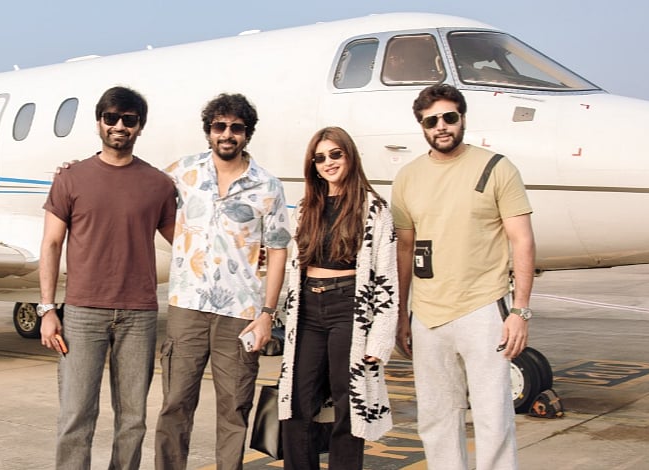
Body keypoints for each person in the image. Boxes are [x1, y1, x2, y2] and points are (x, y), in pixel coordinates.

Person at [391, 83, 536, 470]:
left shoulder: (497, 168)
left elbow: (522, 240)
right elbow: (404, 248)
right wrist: (402, 314)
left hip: (483, 308)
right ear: (422, 126)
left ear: (463, 119)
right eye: (431, 121)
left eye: (449, 117)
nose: (441, 126)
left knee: (493, 417)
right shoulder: (407, 177)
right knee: (436, 418)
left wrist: (520, 311)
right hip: (427, 315)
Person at [38, 86, 177, 469]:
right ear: (99, 122)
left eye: (129, 120)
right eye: (111, 118)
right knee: (76, 417)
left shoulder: (158, 184)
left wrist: (248, 248)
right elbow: (51, 244)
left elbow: (186, 241)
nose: (119, 126)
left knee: (132, 420)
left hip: (139, 315)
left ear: (140, 127)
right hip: (82, 314)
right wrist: (48, 309)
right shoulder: (71, 178)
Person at [154, 93, 291, 470]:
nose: (227, 134)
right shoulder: (183, 172)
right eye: (220, 126)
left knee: (234, 409)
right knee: (175, 405)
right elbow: (139, 189)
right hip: (187, 307)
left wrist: (267, 313)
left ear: (247, 133)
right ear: (208, 130)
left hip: (240, 313)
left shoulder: (268, 186)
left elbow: (278, 249)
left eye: (236, 128)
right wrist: (184, 244)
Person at [278, 127, 399, 469]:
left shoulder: (373, 209)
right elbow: (294, 266)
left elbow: (387, 276)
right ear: (313, 166)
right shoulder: (307, 207)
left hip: (349, 308)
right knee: (297, 402)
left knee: (349, 405)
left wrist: (380, 336)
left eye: (335, 154)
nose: (328, 163)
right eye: (320, 158)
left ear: (349, 156)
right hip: (308, 310)